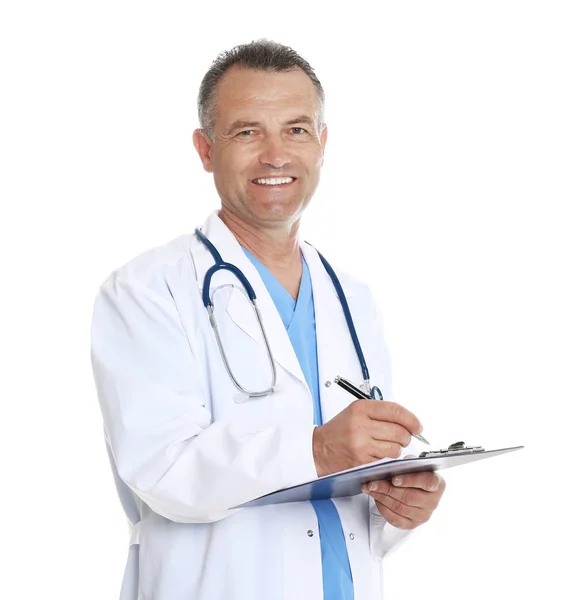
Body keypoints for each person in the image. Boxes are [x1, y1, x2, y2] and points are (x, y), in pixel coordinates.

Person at [90, 38, 446, 600]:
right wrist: (319, 449)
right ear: (206, 149)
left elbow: (353, 496)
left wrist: (398, 508)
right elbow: (163, 471)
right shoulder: (147, 291)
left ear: (322, 145)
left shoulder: (352, 299)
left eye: (297, 130)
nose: (276, 154)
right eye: (247, 131)